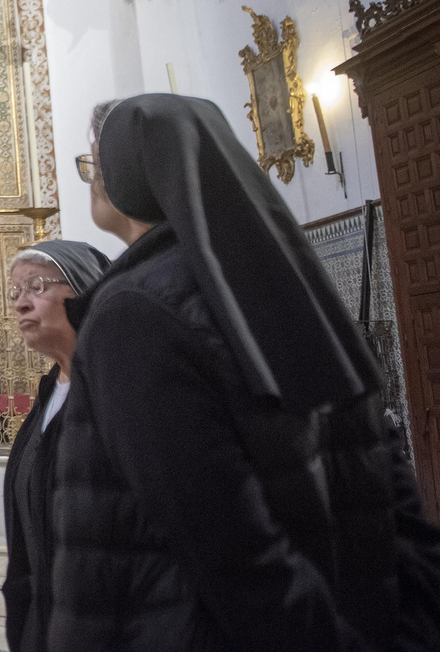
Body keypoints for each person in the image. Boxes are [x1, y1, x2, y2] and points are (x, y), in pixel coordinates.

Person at [50, 95, 440, 651]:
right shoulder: (291, 276)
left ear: (130, 177)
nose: (92, 179)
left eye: (95, 163)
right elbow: (387, 476)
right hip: (362, 614)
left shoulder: (133, 313)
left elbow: (227, 546)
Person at [0, 240, 110, 652]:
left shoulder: (111, 389)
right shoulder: (51, 390)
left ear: (83, 291)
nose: (21, 304)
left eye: (36, 287)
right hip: (45, 612)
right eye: (15, 292)